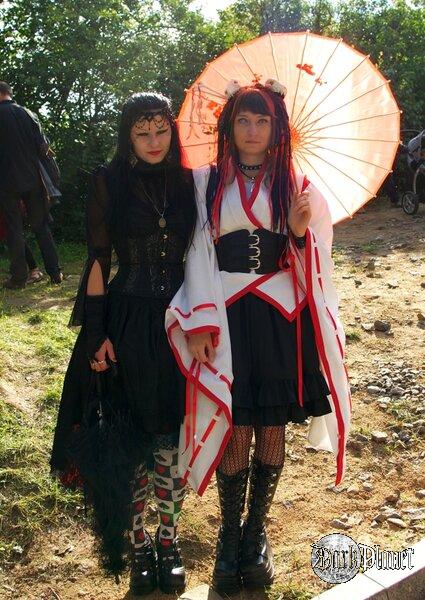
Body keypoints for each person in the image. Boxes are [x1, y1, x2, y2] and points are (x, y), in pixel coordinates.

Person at [166, 80, 351, 593]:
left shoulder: (298, 184)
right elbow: (197, 249)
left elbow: (316, 260)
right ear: (229, 126)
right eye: (243, 120)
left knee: (271, 423)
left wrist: (298, 231)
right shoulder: (204, 181)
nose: (252, 130)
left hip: (278, 317)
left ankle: (255, 533)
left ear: (277, 127)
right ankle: (228, 537)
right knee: (236, 421)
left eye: (262, 121)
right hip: (225, 312)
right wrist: (200, 321)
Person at [50, 93, 196, 595]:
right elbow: (98, 259)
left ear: (172, 130)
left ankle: (170, 542)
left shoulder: (189, 182)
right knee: (128, 443)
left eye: (161, 130)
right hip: (127, 321)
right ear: (127, 136)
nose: (154, 141)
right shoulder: (109, 181)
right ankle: (137, 546)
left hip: (179, 321)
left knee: (171, 441)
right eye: (142, 132)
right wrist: (96, 332)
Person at [0, 81, 62, 288]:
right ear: (9, 93)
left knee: (14, 228)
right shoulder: (28, 114)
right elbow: (43, 147)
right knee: (41, 226)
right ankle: (55, 273)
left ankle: (19, 278)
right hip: (34, 178)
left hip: (6, 181)